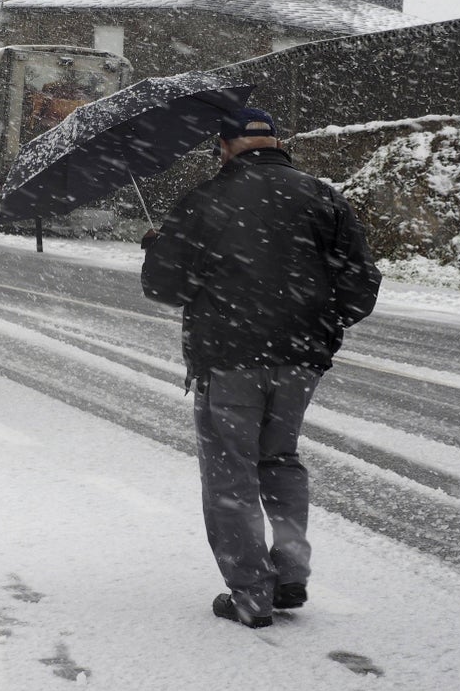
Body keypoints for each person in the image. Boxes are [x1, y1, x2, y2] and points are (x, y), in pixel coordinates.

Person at [140, 107, 381, 628]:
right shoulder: (324, 197)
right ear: (276, 142)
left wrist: (159, 248)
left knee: (231, 473)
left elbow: (165, 288)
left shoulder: (206, 200)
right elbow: (361, 286)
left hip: (227, 358)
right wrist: (321, 327)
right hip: (300, 359)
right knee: (280, 460)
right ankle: (290, 569)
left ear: (223, 146)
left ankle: (251, 592)